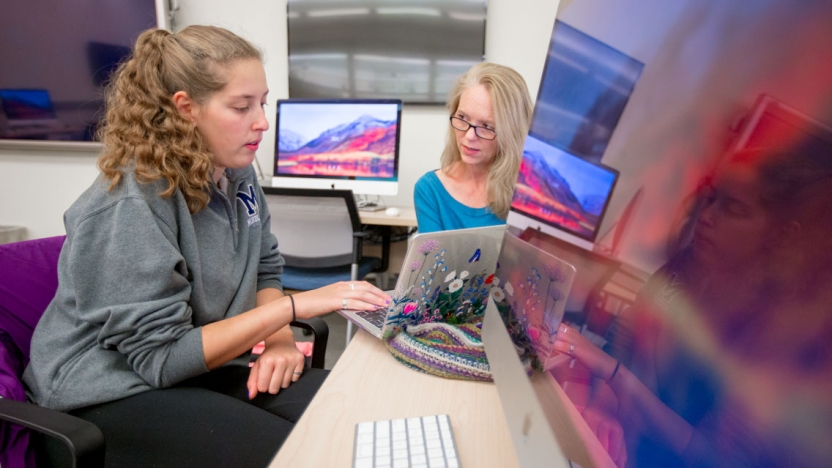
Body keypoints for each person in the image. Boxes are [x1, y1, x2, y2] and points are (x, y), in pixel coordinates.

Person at [22, 25, 390, 467]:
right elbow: (159, 359)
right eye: (242, 106)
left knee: (355, 416)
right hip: (103, 393)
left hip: (195, 368)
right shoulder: (129, 203)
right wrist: (293, 310)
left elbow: (264, 268)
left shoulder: (236, 170)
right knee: (301, 454)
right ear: (186, 109)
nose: (263, 121)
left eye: (263, 101)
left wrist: (278, 341)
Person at [553, 144, 832, 467]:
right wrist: (604, 407)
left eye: (735, 209)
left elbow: (714, 455)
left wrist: (613, 374)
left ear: (782, 235)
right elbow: (624, 340)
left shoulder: (784, 333)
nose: (707, 217)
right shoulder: (686, 265)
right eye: (710, 199)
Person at [413, 62, 533, 233]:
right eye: (462, 117)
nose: (469, 136)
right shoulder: (430, 189)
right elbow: (434, 259)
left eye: (487, 126)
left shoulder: (528, 192)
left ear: (511, 132)